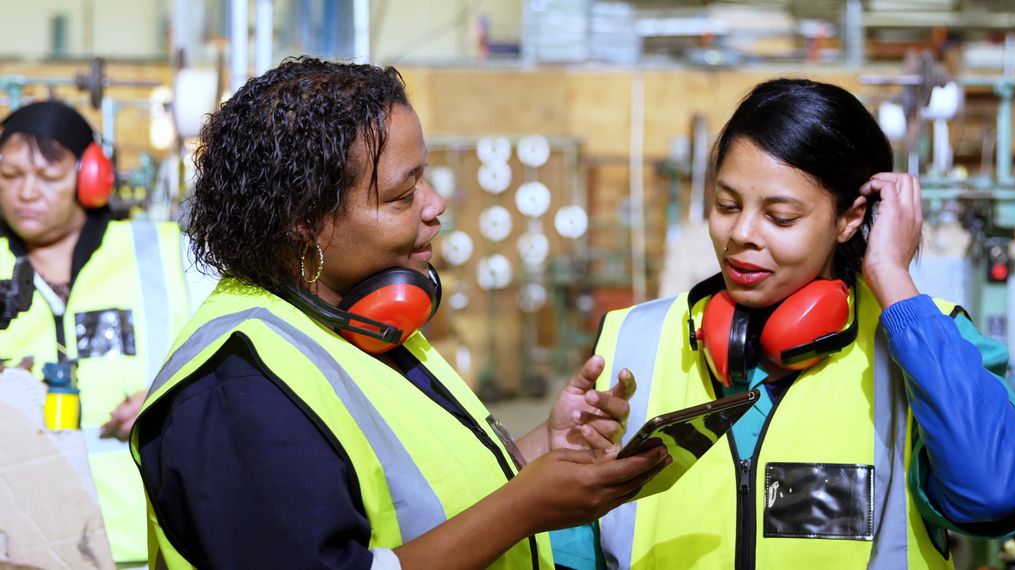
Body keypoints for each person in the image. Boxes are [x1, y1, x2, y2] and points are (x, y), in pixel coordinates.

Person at [130, 57, 669, 570]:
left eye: (425, 179)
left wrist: (541, 448)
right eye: (402, 195)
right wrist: (525, 507)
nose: (435, 204)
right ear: (305, 222)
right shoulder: (238, 391)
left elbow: (423, 504)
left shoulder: (361, 322)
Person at [592, 78, 1015, 569]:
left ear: (850, 218)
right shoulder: (635, 341)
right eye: (727, 205)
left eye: (780, 217)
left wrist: (892, 279)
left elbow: (994, 494)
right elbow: (565, 547)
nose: (740, 234)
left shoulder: (927, 341)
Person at [0, 100, 213, 565]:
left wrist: (176, 400)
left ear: (90, 176)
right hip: (22, 546)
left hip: (152, 540)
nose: (26, 193)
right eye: (11, 176)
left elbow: (232, 370)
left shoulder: (166, 254)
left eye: (48, 176)